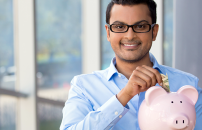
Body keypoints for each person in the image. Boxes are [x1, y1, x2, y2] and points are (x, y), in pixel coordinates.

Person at [60, 0, 202, 129]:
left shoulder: (188, 84)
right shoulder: (83, 87)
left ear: (154, 32)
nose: (129, 36)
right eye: (120, 26)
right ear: (108, 33)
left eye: (140, 26)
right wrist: (124, 96)